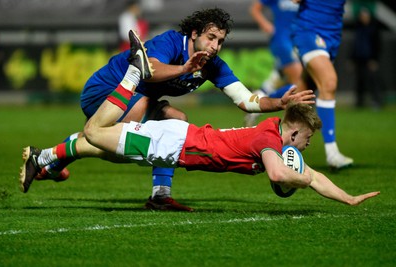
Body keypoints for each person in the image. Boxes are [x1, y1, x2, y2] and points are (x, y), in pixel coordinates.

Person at [20, 40, 379, 206]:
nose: (307, 148)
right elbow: (280, 175)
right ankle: (134, 73)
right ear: (295, 130)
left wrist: (348, 198)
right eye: (307, 141)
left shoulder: (272, 137)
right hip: (172, 146)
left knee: (104, 149)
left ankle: (44, 160)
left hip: (177, 142)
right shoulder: (268, 139)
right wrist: (300, 179)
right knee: (95, 134)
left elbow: (311, 175)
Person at [33, 9, 315, 211]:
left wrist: (278, 103)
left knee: (177, 122)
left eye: (220, 41)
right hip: (105, 89)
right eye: (211, 37)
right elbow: (148, 71)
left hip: (138, 96)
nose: (215, 46)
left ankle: (160, 195)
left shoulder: (212, 65)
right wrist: (183, 68)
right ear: (194, 33)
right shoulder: (170, 42)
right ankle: (56, 154)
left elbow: (245, 99)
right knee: (119, 142)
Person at [289, 0, 354, 169]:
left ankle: (262, 98)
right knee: (329, 82)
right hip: (309, 30)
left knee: (304, 92)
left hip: (332, 34)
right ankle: (332, 153)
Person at [244, 0, 303, 127]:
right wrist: (265, 24)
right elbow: (255, 8)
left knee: (284, 77)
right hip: (282, 41)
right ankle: (294, 122)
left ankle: (260, 98)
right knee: (299, 82)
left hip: (299, 41)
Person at [350, 7, 383, 109]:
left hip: (370, 60)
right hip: (359, 59)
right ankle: (359, 103)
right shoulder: (358, 29)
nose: (363, 18)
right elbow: (355, 45)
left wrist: (374, 59)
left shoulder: (374, 29)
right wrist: (352, 59)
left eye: (365, 16)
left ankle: (376, 102)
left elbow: (378, 45)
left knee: (373, 81)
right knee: (360, 82)